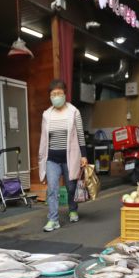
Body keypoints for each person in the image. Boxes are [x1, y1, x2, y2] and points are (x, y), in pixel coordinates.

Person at [38, 79, 88, 232]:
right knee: (52, 189)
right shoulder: (47, 114)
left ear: (65, 94)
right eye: (54, 94)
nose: (56, 96)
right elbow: (44, 139)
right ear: (50, 96)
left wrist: (84, 155)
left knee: (71, 186)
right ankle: (53, 219)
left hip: (70, 158)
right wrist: (41, 158)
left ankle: (73, 209)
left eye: (59, 93)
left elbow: (80, 134)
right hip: (52, 159)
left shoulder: (73, 112)